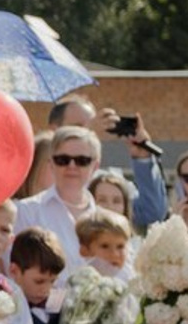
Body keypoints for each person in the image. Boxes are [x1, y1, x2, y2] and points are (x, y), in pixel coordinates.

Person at [49, 96, 166, 231]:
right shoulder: (39, 172)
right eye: (79, 127)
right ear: (54, 130)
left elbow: (151, 212)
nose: (88, 134)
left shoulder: (104, 182)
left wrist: (142, 158)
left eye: (91, 126)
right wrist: (87, 134)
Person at [13, 126, 100, 268]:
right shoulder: (26, 211)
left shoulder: (105, 219)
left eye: (82, 160)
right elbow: (13, 272)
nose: (72, 166)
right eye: (63, 160)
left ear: (95, 166)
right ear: (51, 164)